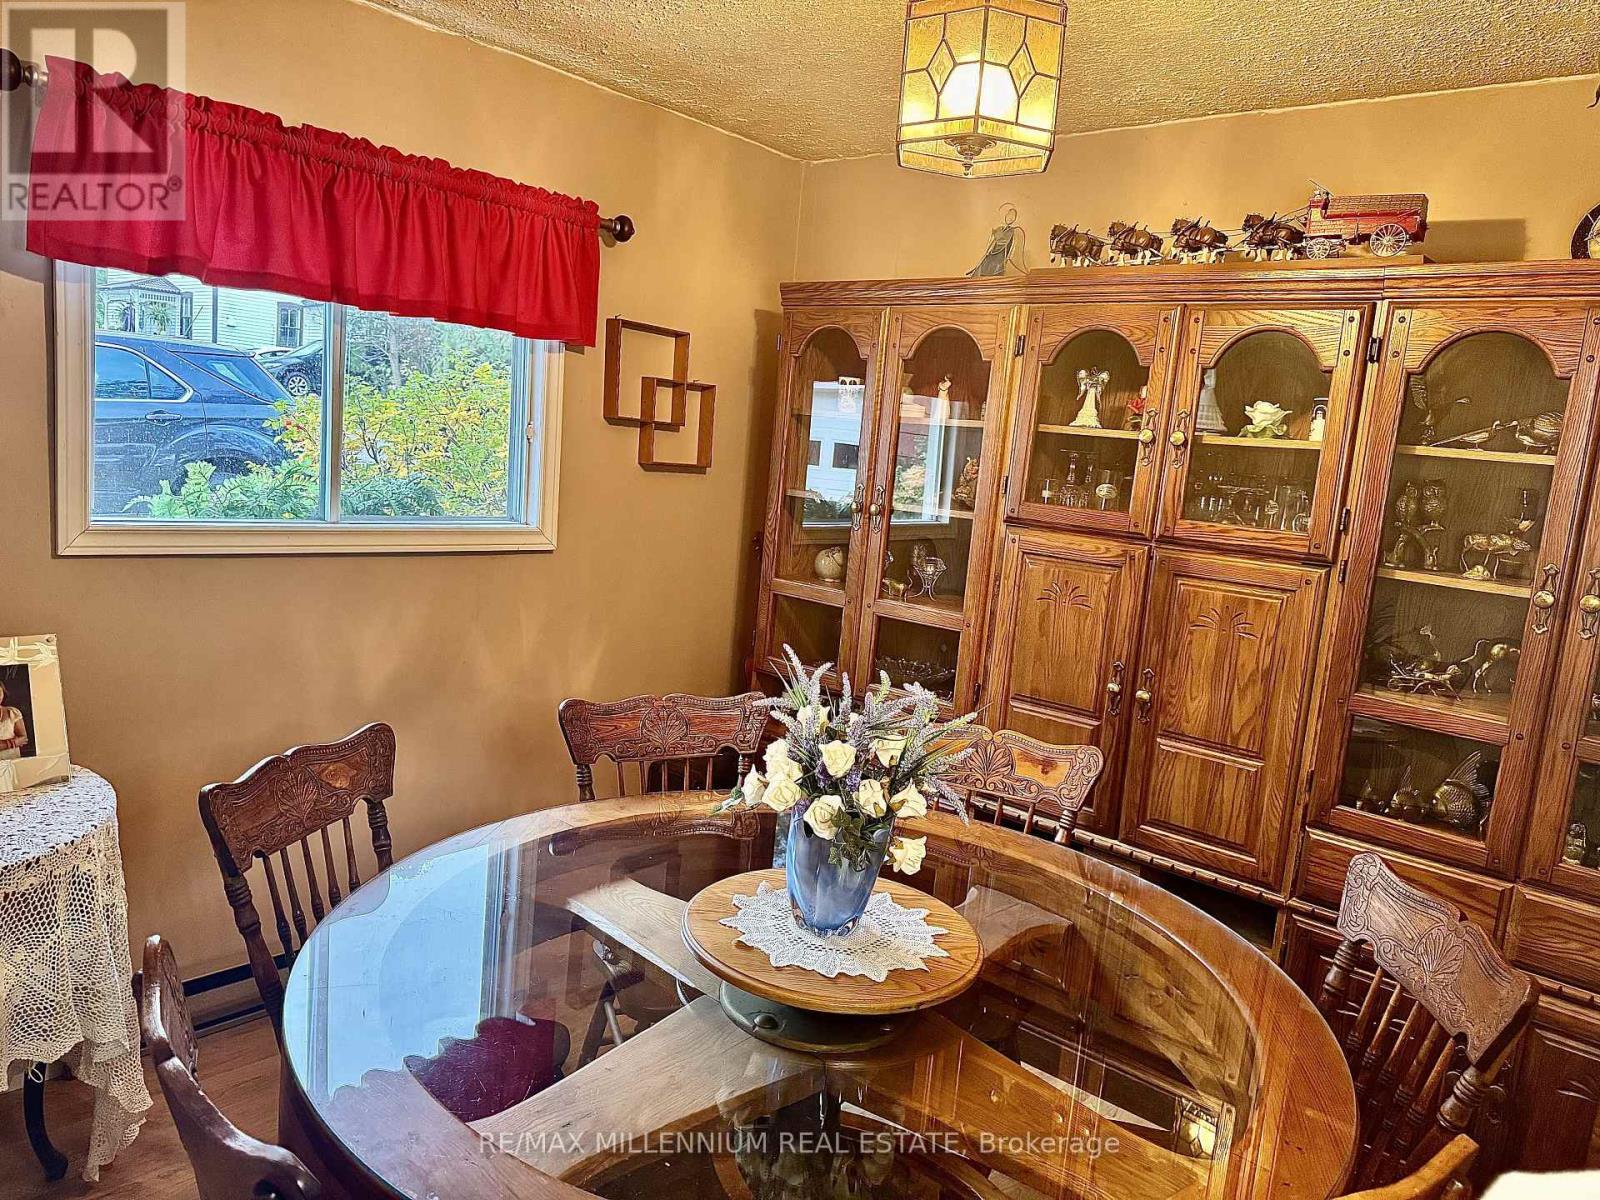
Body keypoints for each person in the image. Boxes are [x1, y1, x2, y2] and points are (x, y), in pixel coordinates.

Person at [0, 680, 29, 760]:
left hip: (12, 761)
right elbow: (19, 741)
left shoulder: (12, 712)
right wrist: (13, 743)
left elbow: (23, 738)